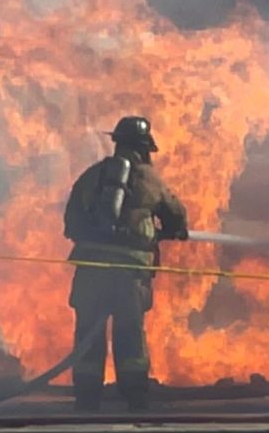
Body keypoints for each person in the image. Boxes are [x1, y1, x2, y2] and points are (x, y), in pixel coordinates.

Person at [63, 115, 189, 412]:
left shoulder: (91, 176)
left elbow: (70, 223)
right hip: (129, 275)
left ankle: (87, 398)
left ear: (117, 143)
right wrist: (166, 231)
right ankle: (135, 397)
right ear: (145, 148)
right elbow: (177, 216)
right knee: (129, 334)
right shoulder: (149, 179)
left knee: (87, 333)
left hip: (90, 271)